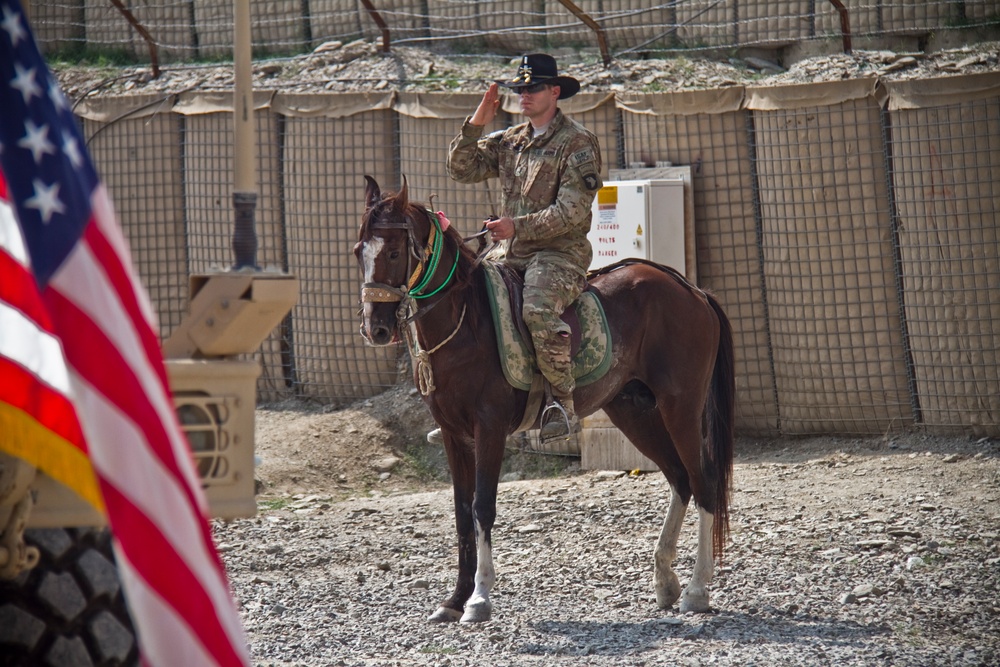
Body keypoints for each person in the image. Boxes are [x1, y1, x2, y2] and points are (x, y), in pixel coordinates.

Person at [443, 53, 604, 443]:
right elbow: (460, 168)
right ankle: (462, 403)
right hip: (511, 251)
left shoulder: (577, 143)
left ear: (555, 91)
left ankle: (562, 404)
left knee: (535, 309)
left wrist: (515, 226)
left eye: (533, 88)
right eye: (520, 89)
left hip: (558, 254)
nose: (524, 95)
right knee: (462, 293)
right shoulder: (512, 139)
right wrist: (477, 121)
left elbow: (571, 211)